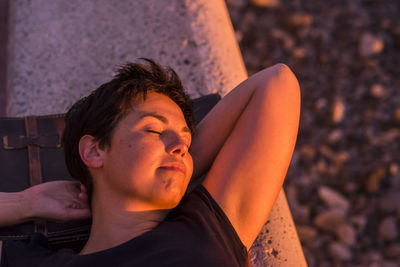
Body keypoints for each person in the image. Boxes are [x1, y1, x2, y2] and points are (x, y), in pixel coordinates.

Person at [0, 59, 300, 266]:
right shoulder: (36, 261)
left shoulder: (205, 229)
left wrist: (180, 165)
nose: (181, 146)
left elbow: (277, 82)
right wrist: (22, 204)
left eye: (186, 137)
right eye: (153, 129)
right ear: (94, 152)